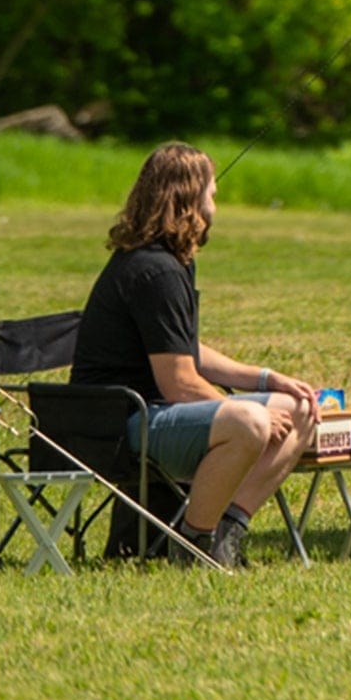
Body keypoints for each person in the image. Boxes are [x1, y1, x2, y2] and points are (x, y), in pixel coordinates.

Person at [71, 142, 316, 567]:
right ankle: (192, 545)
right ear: (191, 199)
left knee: (299, 408)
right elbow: (180, 382)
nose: (216, 205)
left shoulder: (171, 262)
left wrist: (264, 379)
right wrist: (242, 412)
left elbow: (181, 348)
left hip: (151, 411)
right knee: (250, 421)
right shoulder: (155, 270)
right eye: (213, 194)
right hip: (118, 421)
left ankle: (228, 530)